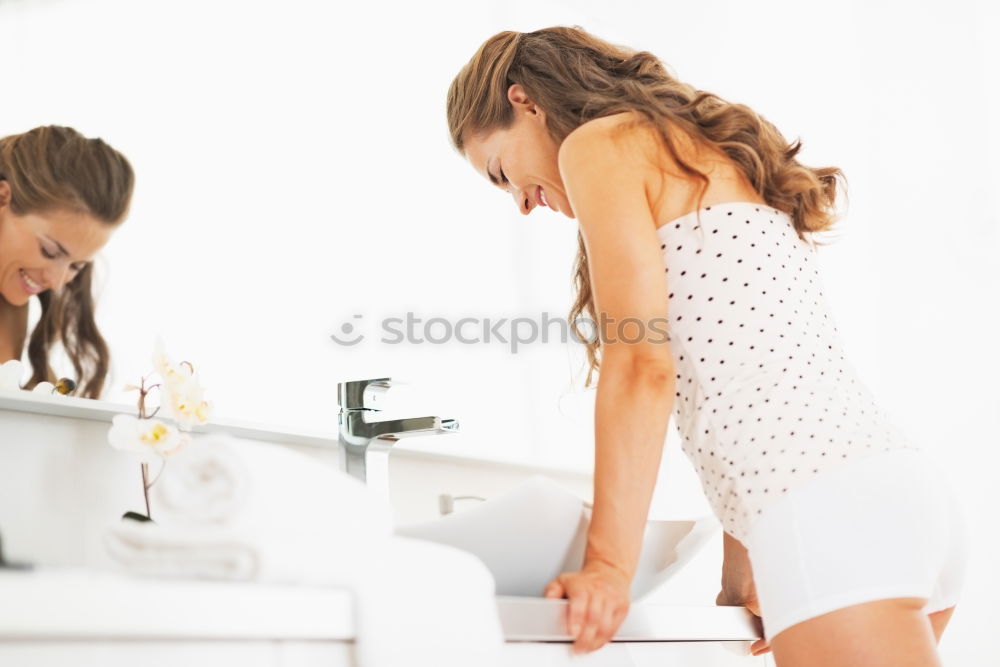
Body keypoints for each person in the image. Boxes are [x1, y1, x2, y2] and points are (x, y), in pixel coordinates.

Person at [446, 26, 968, 665]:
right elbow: (742, 367)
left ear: (525, 101)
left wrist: (608, 567)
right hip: (898, 494)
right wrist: (740, 571)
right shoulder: (709, 155)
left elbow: (642, 367)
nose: (522, 205)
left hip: (823, 511)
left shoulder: (598, 144)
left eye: (502, 172)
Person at [0, 125, 135, 398]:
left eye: (77, 265)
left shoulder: (11, 302)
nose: (57, 281)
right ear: (3, 197)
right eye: (49, 251)